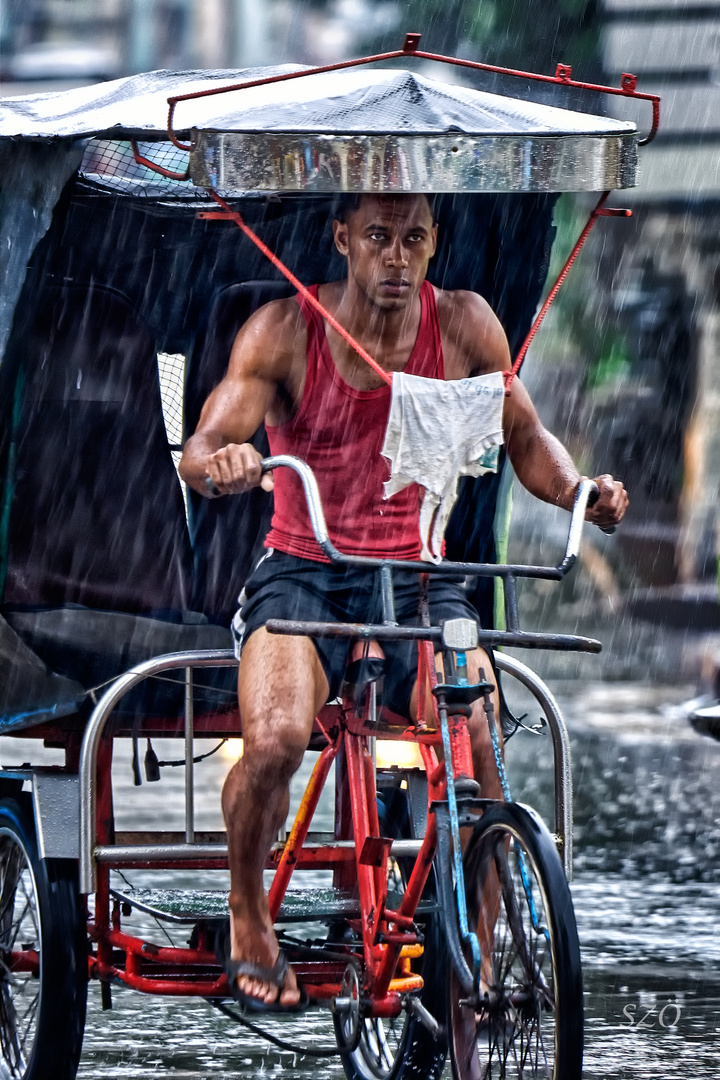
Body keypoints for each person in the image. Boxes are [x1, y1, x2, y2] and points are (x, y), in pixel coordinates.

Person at [179, 192, 628, 1010]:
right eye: (378, 236)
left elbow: (525, 436)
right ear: (343, 238)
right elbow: (205, 443)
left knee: (480, 750)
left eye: (412, 238)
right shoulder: (284, 330)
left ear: (432, 245)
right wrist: (223, 463)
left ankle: (478, 952)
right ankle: (249, 910)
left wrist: (577, 492)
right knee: (275, 740)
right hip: (302, 573)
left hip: (423, 580)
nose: (394, 256)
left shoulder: (463, 326)